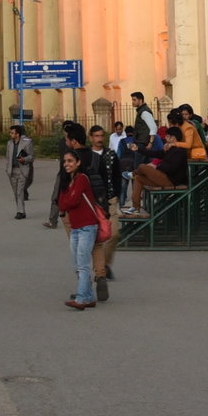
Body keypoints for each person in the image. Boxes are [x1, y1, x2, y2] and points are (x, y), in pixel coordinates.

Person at [54, 146, 103, 309]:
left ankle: (82, 298)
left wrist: (68, 201)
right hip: (75, 227)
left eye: (70, 161)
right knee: (76, 265)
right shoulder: (67, 181)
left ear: (78, 162)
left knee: (82, 264)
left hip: (87, 226)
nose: (66, 164)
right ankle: (88, 296)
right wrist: (68, 200)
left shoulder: (82, 178)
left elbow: (71, 202)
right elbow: (61, 203)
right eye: (64, 161)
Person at [83, 124, 121, 298]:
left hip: (110, 199)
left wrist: (116, 196)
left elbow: (117, 176)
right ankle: (98, 272)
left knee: (114, 233)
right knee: (93, 239)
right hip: (91, 202)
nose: (99, 139)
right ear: (91, 137)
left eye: (101, 135)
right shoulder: (85, 156)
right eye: (96, 136)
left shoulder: (111, 155)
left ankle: (103, 265)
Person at [5, 123, 35, 219]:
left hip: (22, 170)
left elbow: (31, 157)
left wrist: (24, 160)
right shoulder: (9, 143)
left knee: (19, 191)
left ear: (17, 134)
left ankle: (20, 212)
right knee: (15, 192)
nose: (10, 134)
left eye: (12, 133)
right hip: (12, 170)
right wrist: (7, 169)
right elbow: (7, 157)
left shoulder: (26, 142)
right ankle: (20, 210)